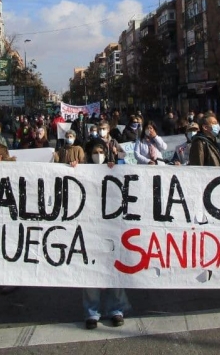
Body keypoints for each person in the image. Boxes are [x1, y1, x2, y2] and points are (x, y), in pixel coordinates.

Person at [80, 139, 128, 329]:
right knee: (90, 273)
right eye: (94, 151)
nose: (98, 154)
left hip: (111, 228)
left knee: (114, 270)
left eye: (101, 151)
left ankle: (116, 310)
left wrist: (116, 167)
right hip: (89, 228)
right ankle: (91, 312)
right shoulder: (82, 170)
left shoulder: (115, 167)